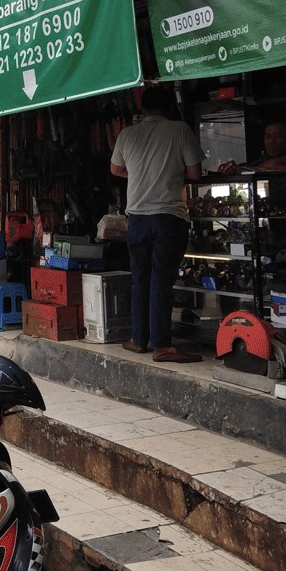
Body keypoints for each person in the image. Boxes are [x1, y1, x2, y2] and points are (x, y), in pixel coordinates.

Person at [110, 86, 205, 363]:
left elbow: (115, 169)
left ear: (143, 109)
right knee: (162, 281)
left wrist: (141, 176)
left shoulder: (127, 133)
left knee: (140, 280)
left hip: (137, 220)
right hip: (168, 218)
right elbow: (195, 173)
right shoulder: (180, 130)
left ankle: (138, 340)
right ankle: (162, 345)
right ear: (170, 107)